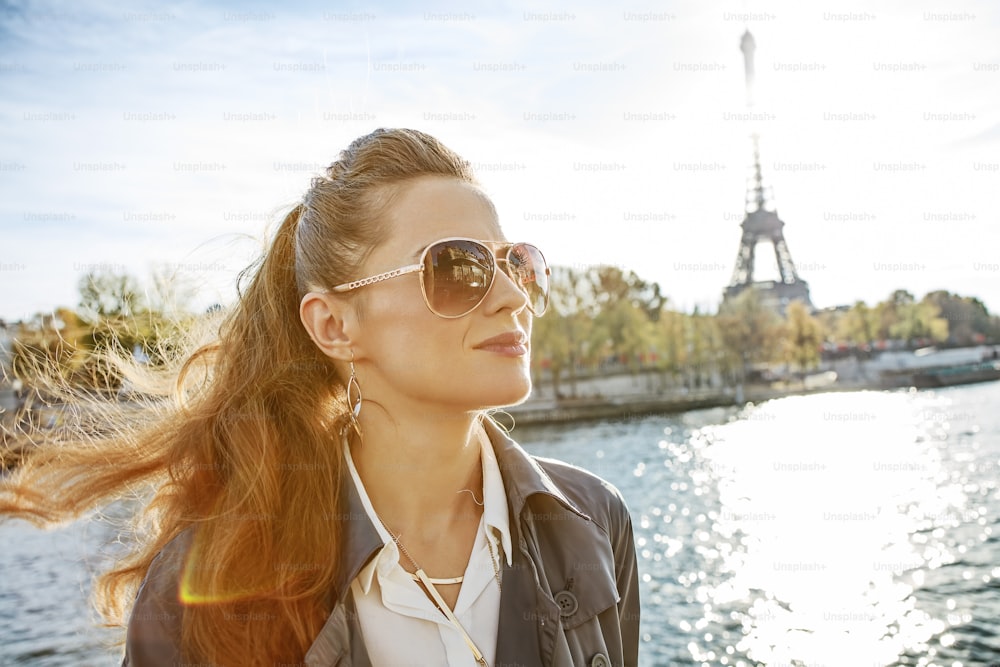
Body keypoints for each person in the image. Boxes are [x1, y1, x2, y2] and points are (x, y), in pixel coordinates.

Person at [1, 128, 639, 666]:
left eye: (517, 262)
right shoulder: (199, 588)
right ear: (335, 326)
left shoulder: (594, 518)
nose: (513, 296)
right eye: (457, 267)